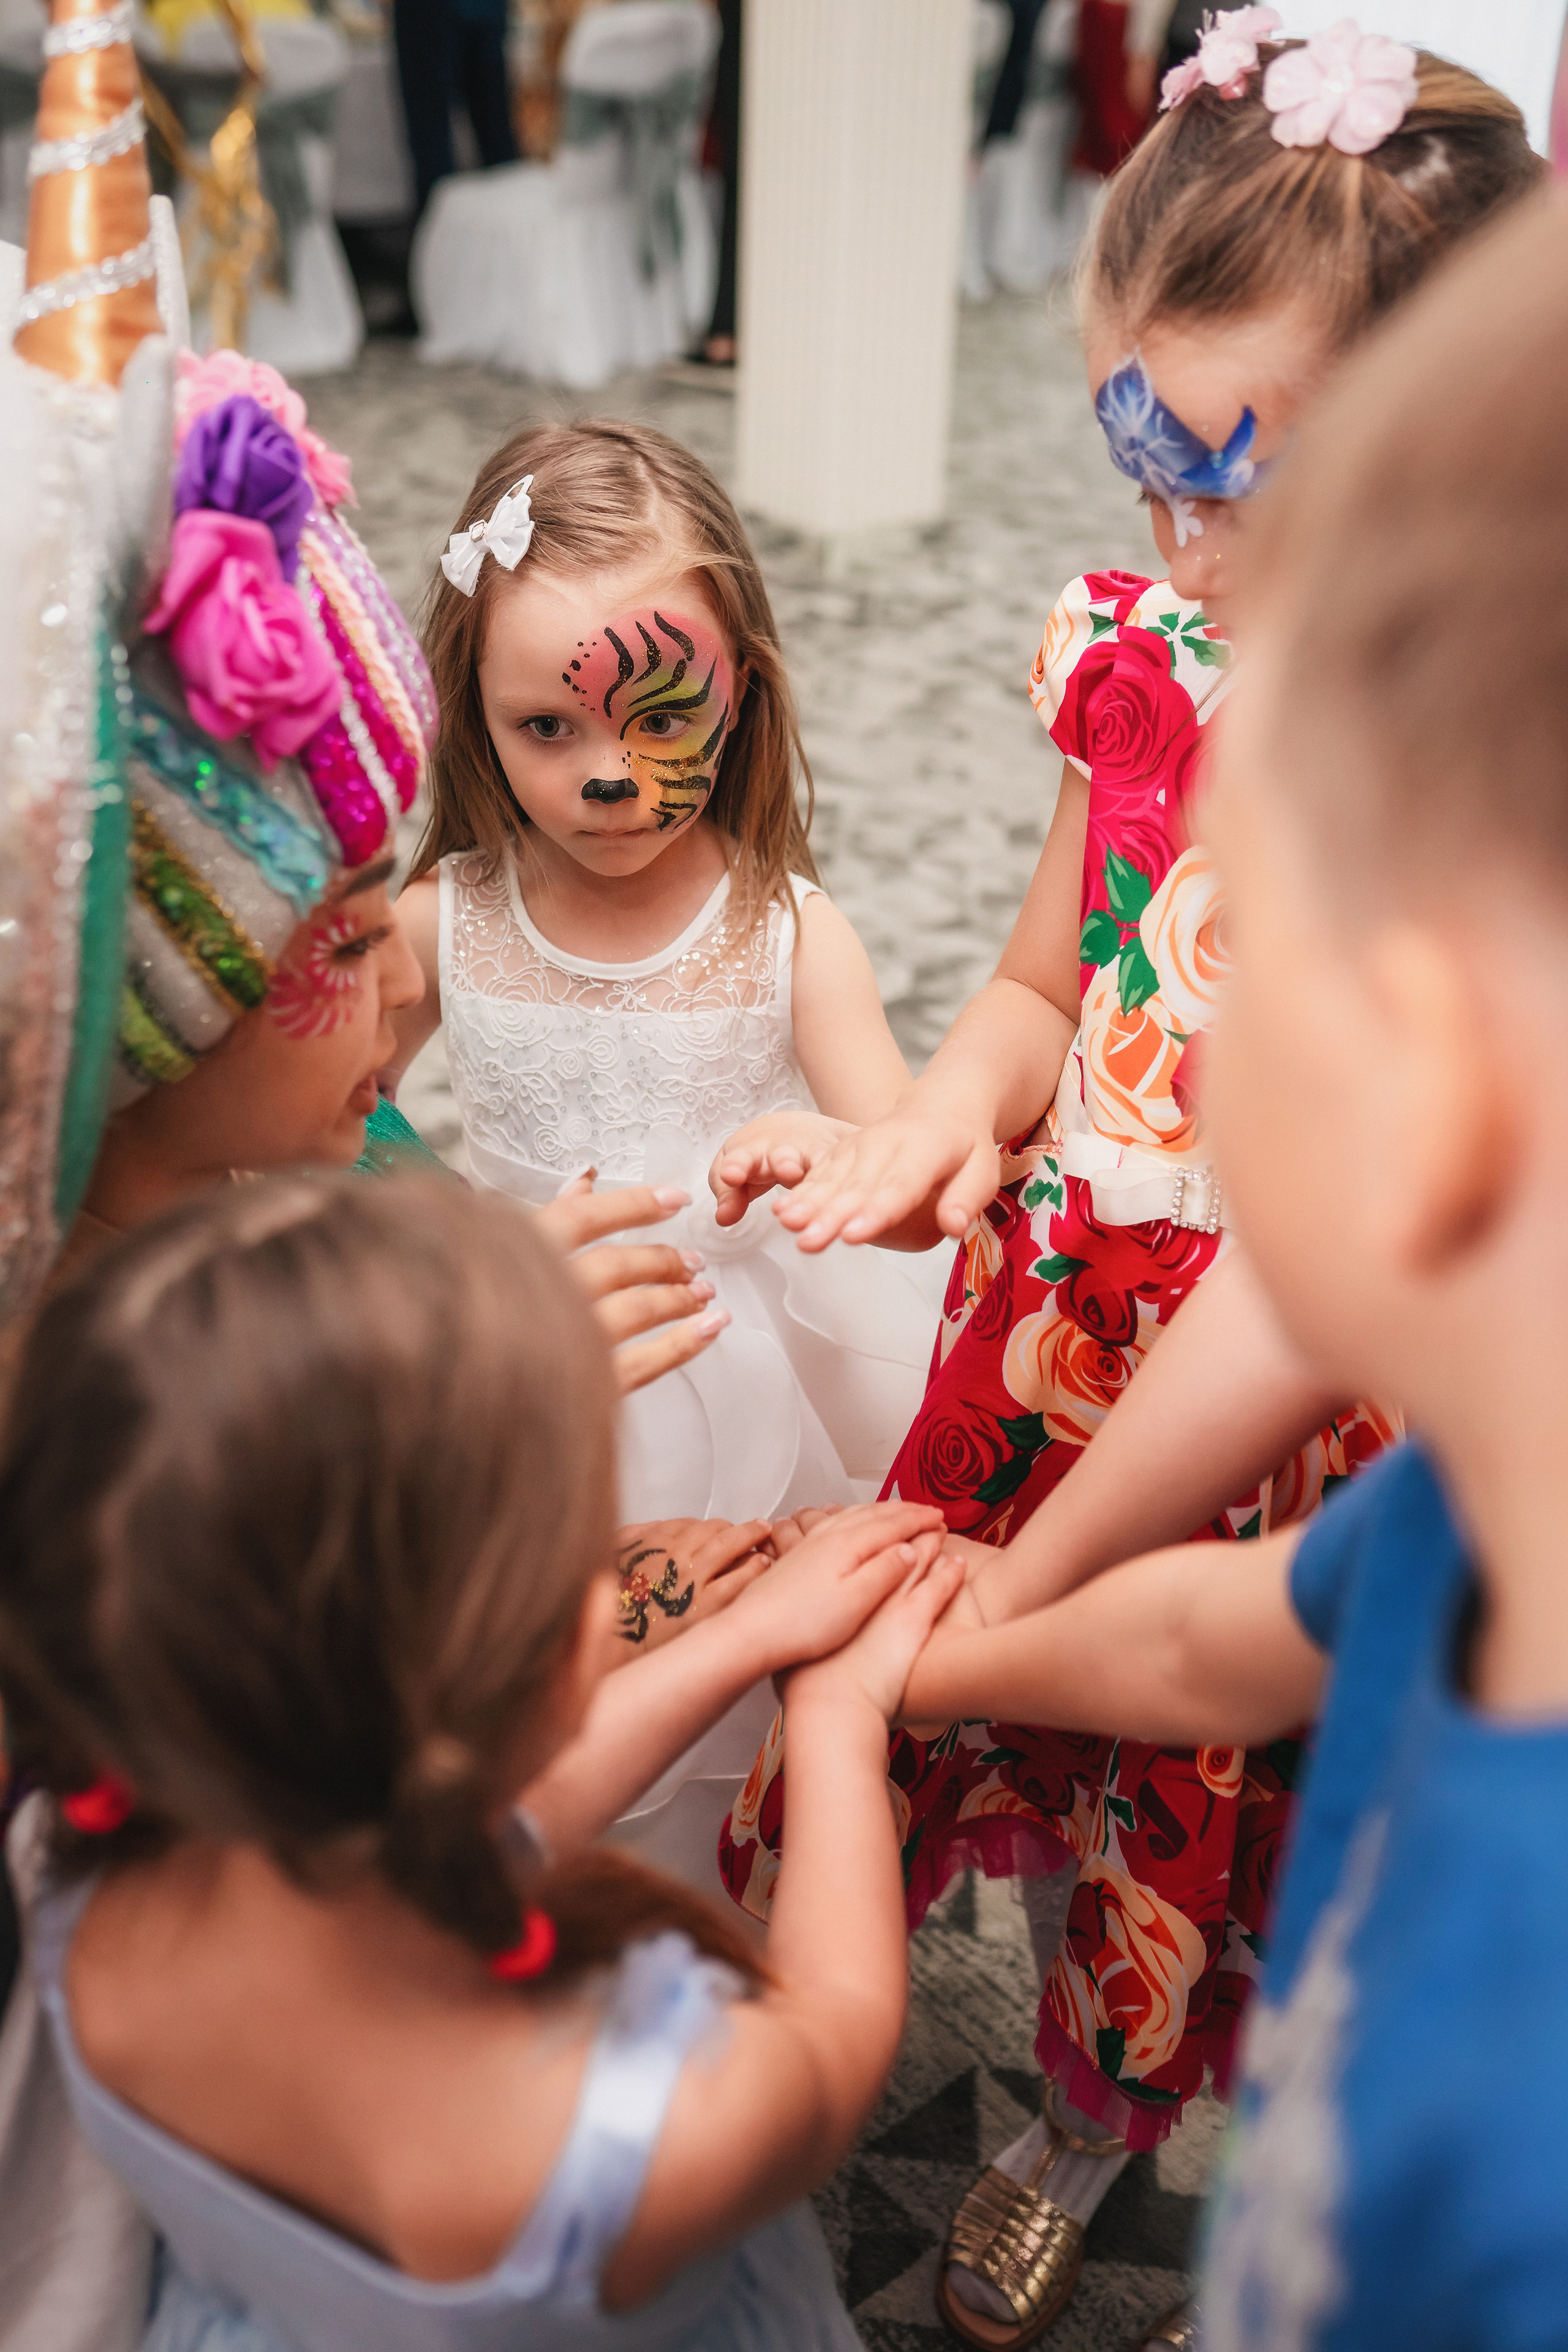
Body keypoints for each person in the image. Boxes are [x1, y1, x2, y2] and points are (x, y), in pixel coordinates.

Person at [709, 23, 1541, 2345]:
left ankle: (1083, 2116)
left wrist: (1046, 1579)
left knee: (1178, 1804)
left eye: (1234, 471)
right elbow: (1043, 976)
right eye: (1129, 446)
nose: (1173, 527)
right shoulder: (1137, 661)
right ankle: (827, 2017)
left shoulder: (1461, 801)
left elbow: (1311, 1277)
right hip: (1065, 1317)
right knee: (949, 1700)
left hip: (1273, 1420)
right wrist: (947, 1119)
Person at [0, 1174, 963, 2352]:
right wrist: (840, 1714)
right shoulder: (656, 2131)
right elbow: (835, 2030)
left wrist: (752, 1640)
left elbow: (469, 1814)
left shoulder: (94, 1885)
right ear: (567, 1647)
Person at [387, 418, 950, 1532]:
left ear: (737, 690)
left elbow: (921, 1198)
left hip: (777, 1378)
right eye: (545, 725)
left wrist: (838, 1158)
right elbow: (327, 1123)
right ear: (472, 711)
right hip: (536, 1371)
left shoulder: (793, 936)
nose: (609, 778)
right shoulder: (437, 925)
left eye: (663, 717)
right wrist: (446, 1248)